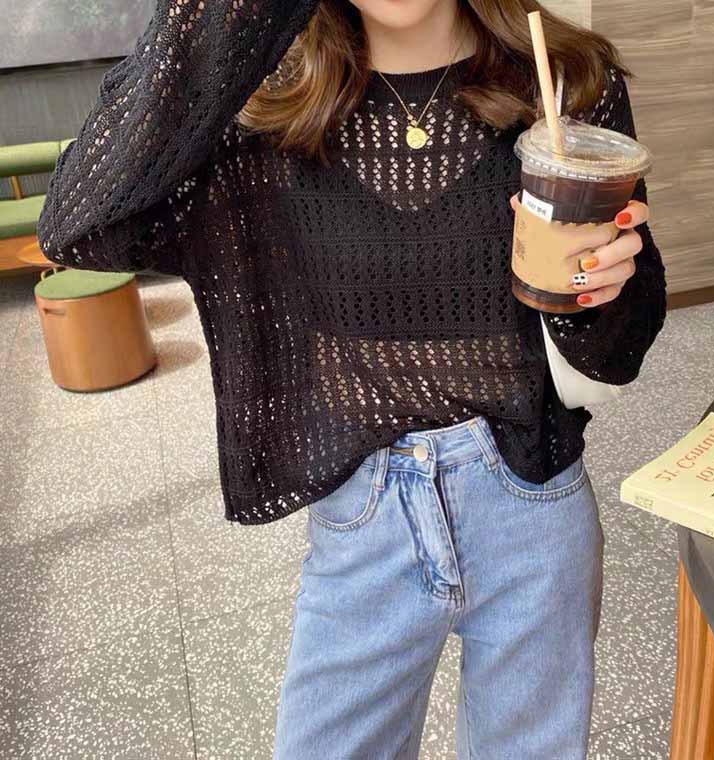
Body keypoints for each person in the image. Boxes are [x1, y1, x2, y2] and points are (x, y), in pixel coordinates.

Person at [37, 0, 667, 757]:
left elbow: (620, 351)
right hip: (361, 515)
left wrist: (598, 291)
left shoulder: (566, 80)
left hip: (532, 503)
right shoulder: (256, 105)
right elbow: (76, 227)